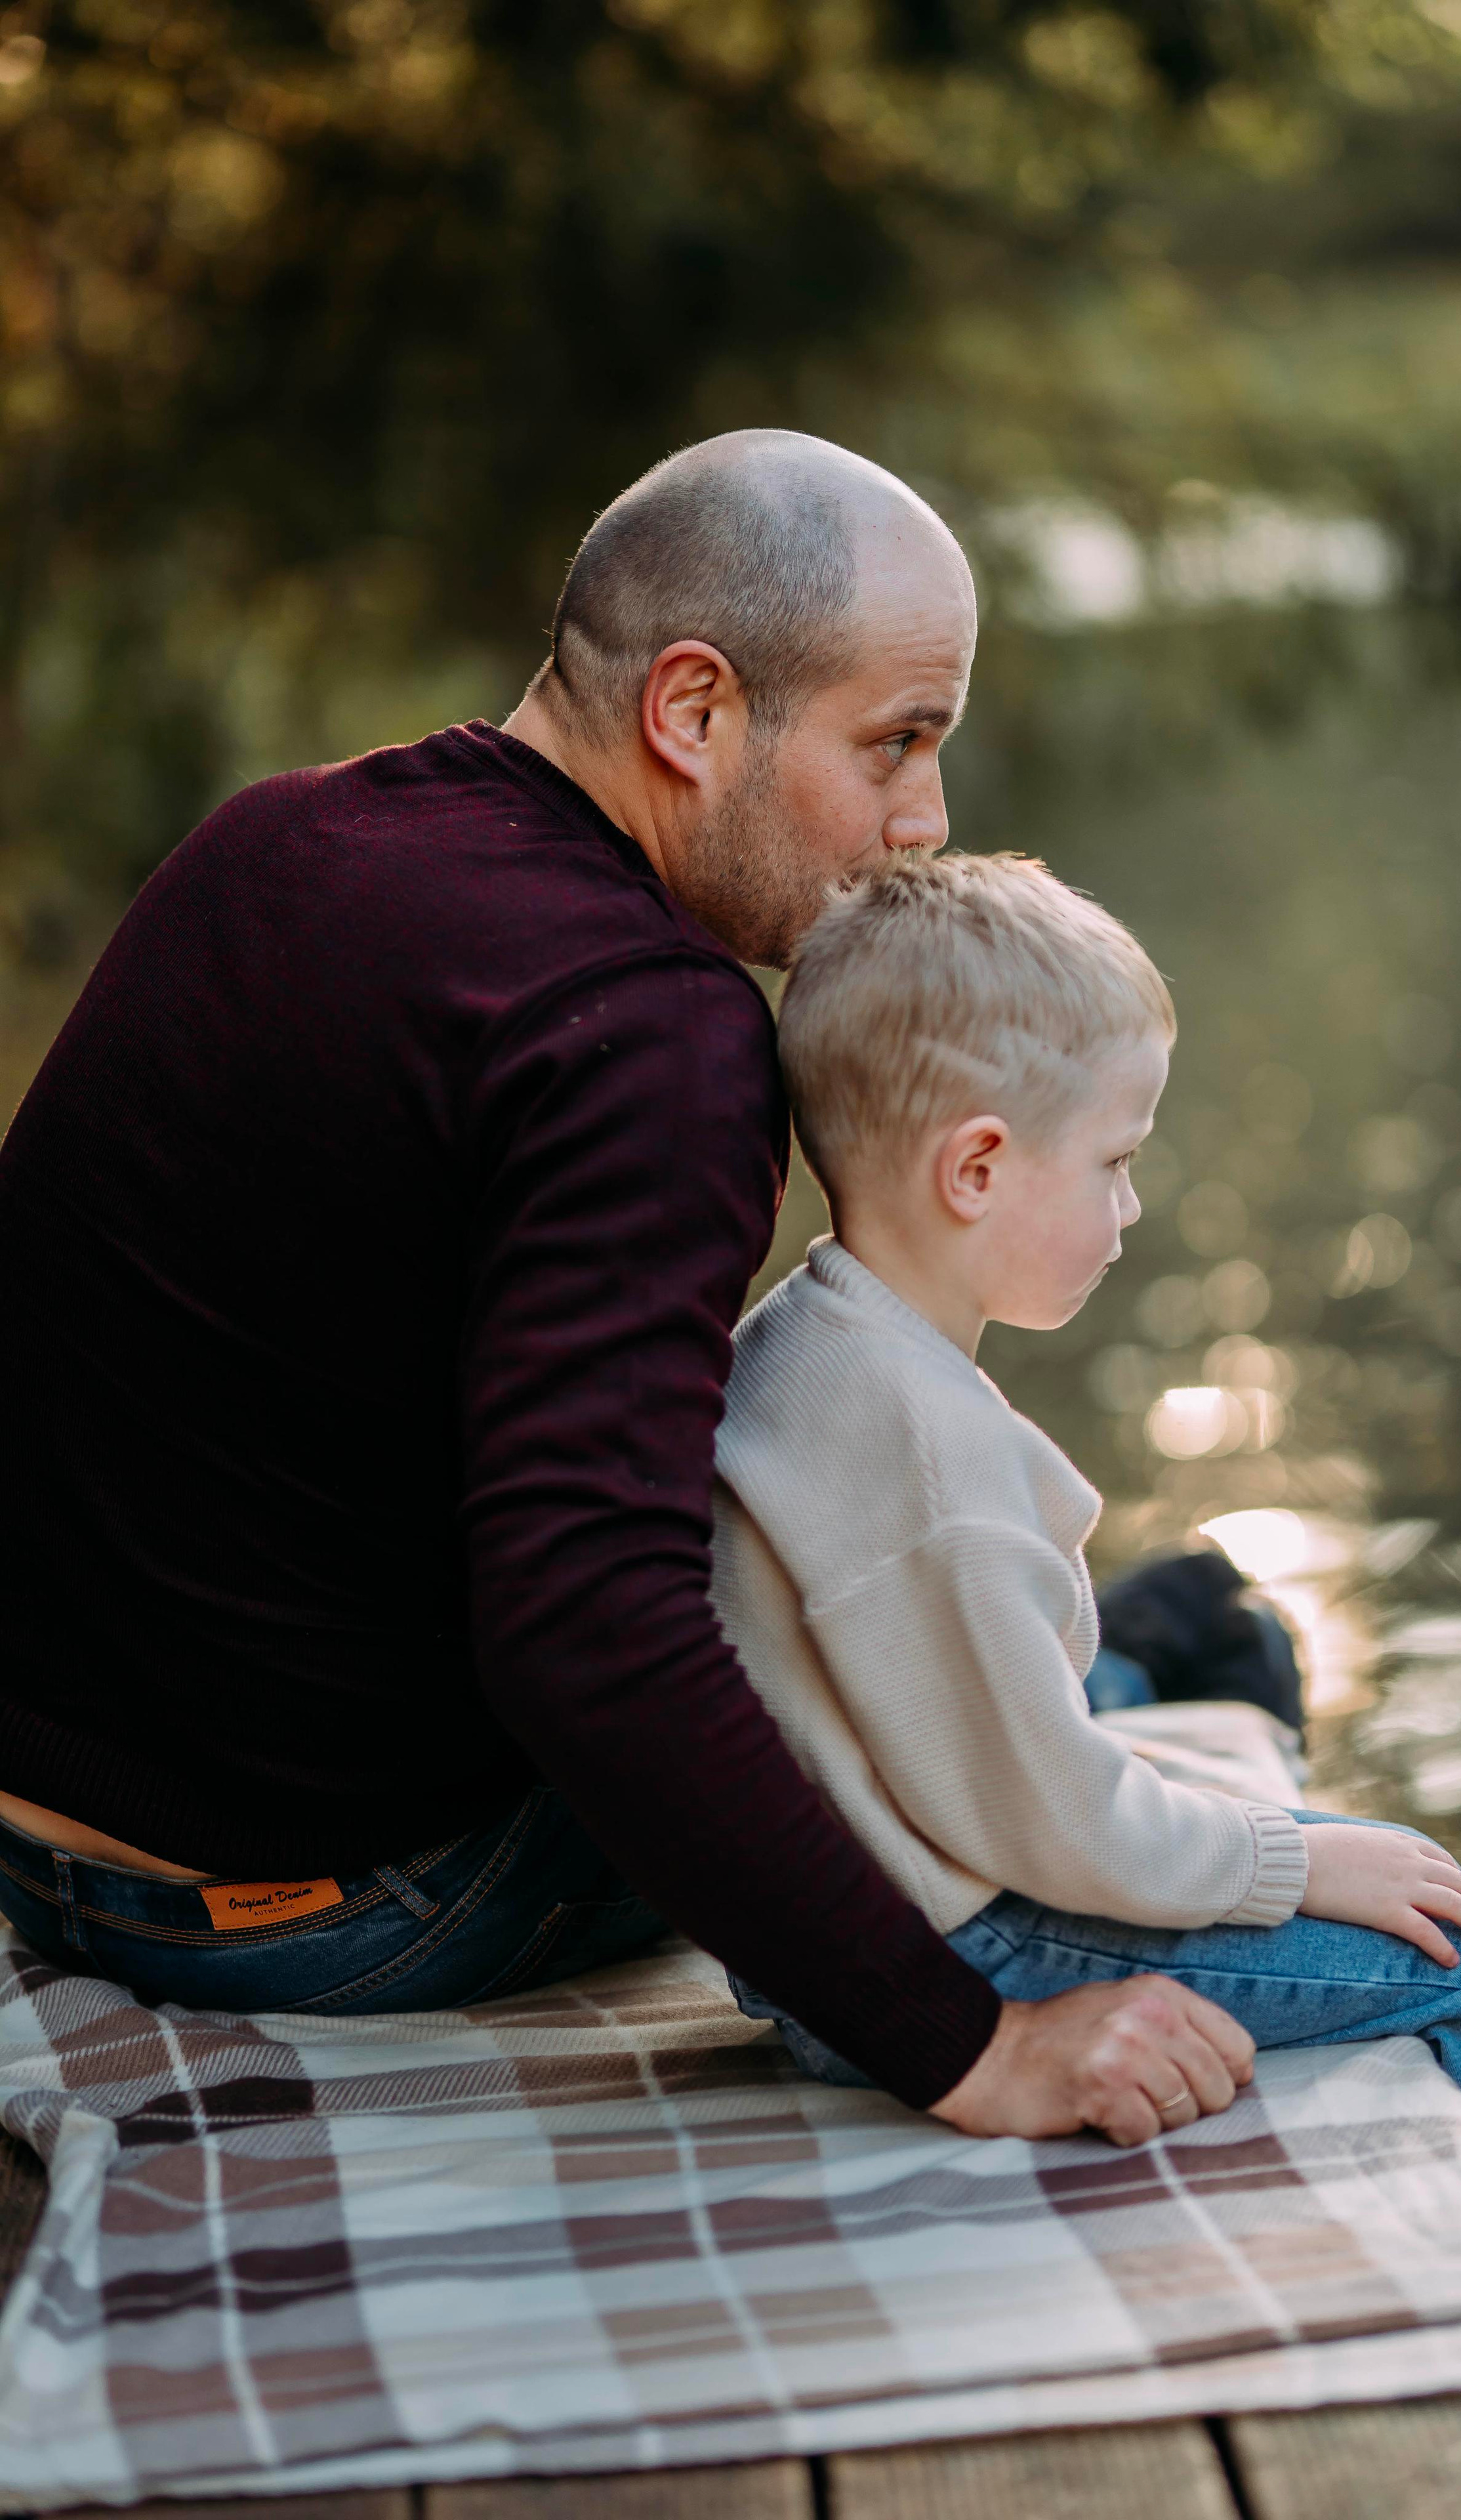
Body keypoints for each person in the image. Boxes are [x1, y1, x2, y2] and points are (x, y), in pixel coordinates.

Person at [0, 429, 1248, 2154]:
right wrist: (970, 2049)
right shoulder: (651, 1036)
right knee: (951, 1722)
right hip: (344, 1903)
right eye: (893, 744)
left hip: (51, 1848)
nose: (927, 821)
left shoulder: (276, 839)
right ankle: (1137, 1671)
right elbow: (591, 1630)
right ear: (691, 712)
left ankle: (1123, 1653)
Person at [708, 849, 1461, 2499]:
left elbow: (996, 1748)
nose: (1132, 1208)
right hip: (951, 1939)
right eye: (1115, 1161)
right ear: (976, 1168)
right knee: (1458, 1962)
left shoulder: (810, 1348)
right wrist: (1295, 1857)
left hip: (855, 1923)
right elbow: (1052, 1822)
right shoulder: (920, 1457)